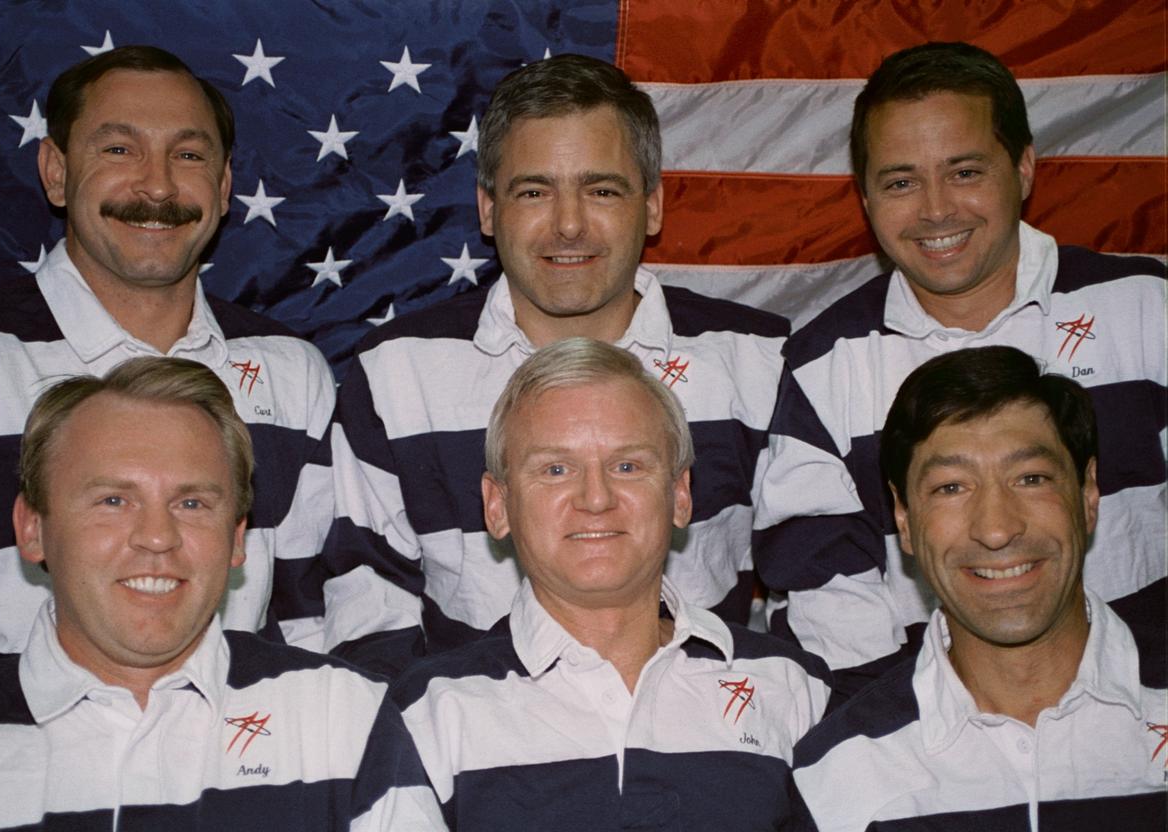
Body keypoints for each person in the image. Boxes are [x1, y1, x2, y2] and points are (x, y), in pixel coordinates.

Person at [0, 46, 336, 702]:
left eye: (188, 155)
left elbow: (308, 629)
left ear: (223, 186)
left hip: (230, 776)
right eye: (119, 151)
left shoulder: (290, 373)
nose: (156, 188)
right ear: (57, 172)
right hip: (3, 785)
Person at [326, 53, 788, 672]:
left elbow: (810, 595)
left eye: (601, 190)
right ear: (489, 210)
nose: (569, 225)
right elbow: (368, 618)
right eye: (535, 191)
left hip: (699, 743)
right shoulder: (397, 372)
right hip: (472, 748)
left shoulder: (757, 360)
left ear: (652, 205)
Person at [753, 41, 1166, 696]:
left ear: (1024, 168)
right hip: (934, 757)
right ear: (864, 198)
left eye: (965, 172)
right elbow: (824, 603)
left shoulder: (1148, 309)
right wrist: (926, 751)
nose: (936, 208)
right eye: (900, 181)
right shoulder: (823, 365)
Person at [0, 357, 442, 830]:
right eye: (113, 501)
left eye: (192, 503)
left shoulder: (343, 718)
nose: (157, 536)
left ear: (236, 538)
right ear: (32, 528)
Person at [390, 338, 831, 828]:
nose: (596, 498)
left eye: (627, 466)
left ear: (680, 495)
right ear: (497, 506)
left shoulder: (790, 687)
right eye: (556, 469)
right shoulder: (429, 711)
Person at [791, 346, 1166, 830]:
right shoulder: (839, 772)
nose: (995, 529)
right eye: (951, 487)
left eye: (1031, 478)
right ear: (903, 519)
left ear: (1088, 493)